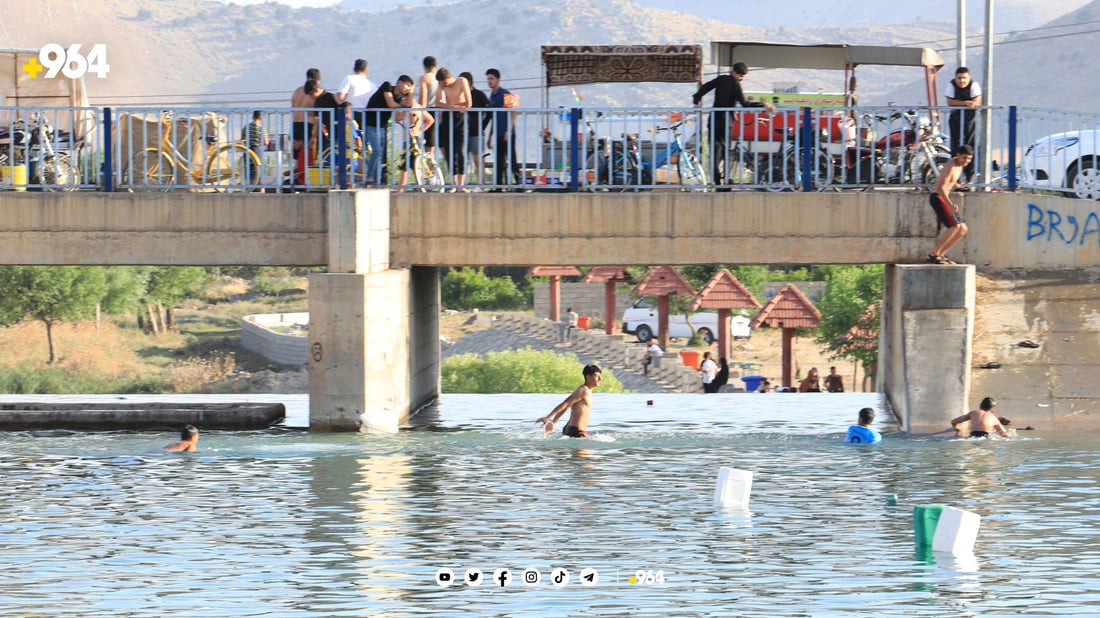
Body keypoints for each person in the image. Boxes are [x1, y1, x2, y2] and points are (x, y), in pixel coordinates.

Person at [692, 62, 775, 189]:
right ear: (734, 73)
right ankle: (725, 183)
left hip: (714, 120)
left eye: (743, 76)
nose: (741, 78)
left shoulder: (721, 79)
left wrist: (696, 99)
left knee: (715, 154)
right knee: (725, 153)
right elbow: (745, 104)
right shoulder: (736, 85)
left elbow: (705, 88)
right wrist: (763, 106)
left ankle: (716, 182)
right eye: (740, 75)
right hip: (727, 123)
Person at [364, 75, 416, 186]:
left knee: (380, 154)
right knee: (377, 150)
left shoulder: (400, 96)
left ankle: (376, 180)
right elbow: (391, 104)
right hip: (371, 124)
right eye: (407, 85)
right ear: (399, 83)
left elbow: (408, 106)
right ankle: (369, 177)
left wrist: (411, 93)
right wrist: (402, 105)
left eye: (409, 87)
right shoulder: (387, 86)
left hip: (382, 126)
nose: (407, 88)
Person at [927, 145, 973, 265]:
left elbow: (952, 182)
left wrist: (960, 186)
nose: (966, 161)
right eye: (964, 158)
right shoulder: (951, 166)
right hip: (938, 198)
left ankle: (940, 255)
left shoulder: (959, 166)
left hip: (943, 198)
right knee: (954, 227)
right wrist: (950, 204)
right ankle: (933, 254)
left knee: (963, 229)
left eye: (969, 159)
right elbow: (942, 188)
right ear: (957, 155)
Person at [536, 364, 602, 438]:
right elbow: (565, 403)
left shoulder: (587, 391)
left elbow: (567, 406)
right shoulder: (583, 390)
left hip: (572, 429)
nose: (600, 379)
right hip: (577, 431)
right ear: (588, 377)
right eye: (597, 376)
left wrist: (554, 422)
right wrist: (548, 417)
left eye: (600, 376)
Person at [435, 67, 471, 190]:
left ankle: (461, 184)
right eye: (441, 83)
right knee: (449, 151)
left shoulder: (461, 81)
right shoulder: (442, 85)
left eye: (444, 82)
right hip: (448, 116)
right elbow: (438, 103)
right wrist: (451, 106)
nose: (444, 85)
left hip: (459, 117)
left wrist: (455, 107)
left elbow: (468, 102)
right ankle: (454, 184)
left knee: (460, 150)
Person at [486, 68, 522, 188]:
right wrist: (490, 136)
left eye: (491, 78)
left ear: (498, 80)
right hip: (498, 133)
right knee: (499, 160)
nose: (489, 81)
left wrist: (508, 129)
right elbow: (493, 117)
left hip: (508, 133)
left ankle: (519, 184)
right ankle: (498, 186)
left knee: (511, 159)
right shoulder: (492, 96)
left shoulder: (505, 93)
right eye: (488, 79)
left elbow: (515, 111)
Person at [945, 67, 981, 183]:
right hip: (955, 120)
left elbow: (976, 101)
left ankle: (969, 178)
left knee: (970, 148)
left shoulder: (974, 85)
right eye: (959, 78)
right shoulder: (951, 85)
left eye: (964, 78)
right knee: (955, 148)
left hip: (969, 121)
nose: (961, 81)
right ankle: (956, 179)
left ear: (968, 78)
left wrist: (959, 105)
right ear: (955, 78)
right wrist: (965, 103)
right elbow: (950, 102)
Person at [462, 71, 490, 183]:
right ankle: (462, 184)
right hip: (463, 132)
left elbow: (489, 113)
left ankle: (481, 184)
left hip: (476, 133)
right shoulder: (460, 96)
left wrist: (482, 126)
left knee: (478, 159)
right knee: (462, 159)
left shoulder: (479, 95)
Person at [290, 70, 321, 170]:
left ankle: (296, 176)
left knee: (297, 155)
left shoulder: (297, 91)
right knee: (307, 154)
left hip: (295, 123)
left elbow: (293, 107)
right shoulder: (313, 92)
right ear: (318, 80)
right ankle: (304, 177)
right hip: (307, 124)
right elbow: (315, 113)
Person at [241, 110, 270, 189]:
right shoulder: (262, 128)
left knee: (248, 168)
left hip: (247, 149)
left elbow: (242, 139)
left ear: (253, 117)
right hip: (257, 150)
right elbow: (266, 142)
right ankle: (261, 189)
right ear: (261, 119)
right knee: (259, 169)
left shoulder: (246, 126)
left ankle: (249, 187)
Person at [418, 56, 440, 157]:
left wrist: (418, 112)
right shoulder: (440, 78)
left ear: (424, 67)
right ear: (436, 66)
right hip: (442, 111)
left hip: (429, 111)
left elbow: (423, 100)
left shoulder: (425, 78)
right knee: (435, 145)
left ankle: (429, 172)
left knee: (429, 147)